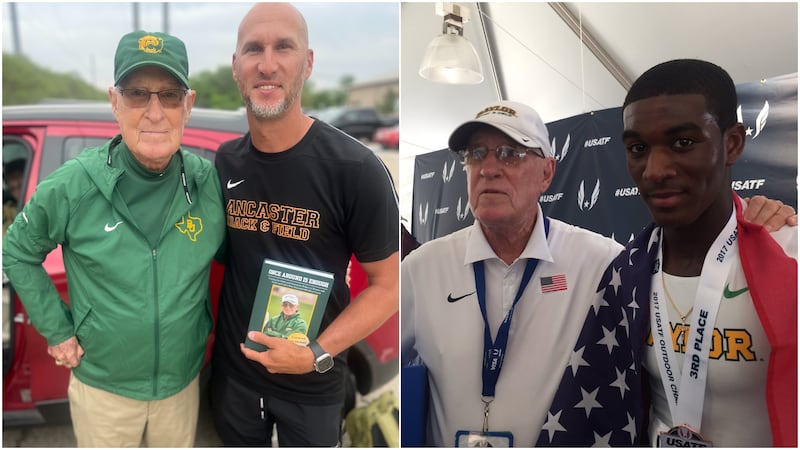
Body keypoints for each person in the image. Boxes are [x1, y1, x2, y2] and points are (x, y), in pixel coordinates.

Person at [400, 99, 795, 447]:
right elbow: (374, 376)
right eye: (475, 154)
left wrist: (758, 217)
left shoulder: (606, 262)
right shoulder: (421, 268)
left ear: (547, 173)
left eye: (509, 154)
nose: (488, 169)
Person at [542, 59, 797, 447]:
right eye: (638, 148)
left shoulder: (788, 256)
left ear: (733, 143)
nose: (656, 169)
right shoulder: (624, 273)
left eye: (682, 143)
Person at [2, 30, 226, 447]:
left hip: (181, 387)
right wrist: (57, 330)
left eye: (170, 95)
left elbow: (246, 252)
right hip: (103, 391)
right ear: (114, 102)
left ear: (188, 104)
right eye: (138, 93)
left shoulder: (206, 182)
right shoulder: (75, 184)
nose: (155, 112)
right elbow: (16, 250)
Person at [210, 3, 400, 447]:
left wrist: (315, 353)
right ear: (236, 67)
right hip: (235, 379)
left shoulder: (356, 169)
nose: (267, 63)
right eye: (253, 49)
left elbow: (388, 287)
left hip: (313, 384)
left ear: (308, 62)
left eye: (284, 47)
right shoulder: (226, 161)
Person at [2, 158, 25, 235]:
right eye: (12, 178)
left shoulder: (39, 203)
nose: (15, 183)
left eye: (19, 176)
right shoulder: (6, 210)